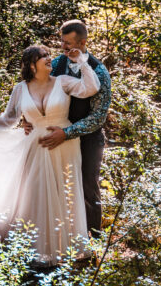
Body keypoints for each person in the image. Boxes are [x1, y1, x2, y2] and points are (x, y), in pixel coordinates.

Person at [0, 43, 101, 265]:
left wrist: (82, 62)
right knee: (35, 196)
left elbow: (91, 88)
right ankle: (35, 250)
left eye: (49, 55)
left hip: (64, 146)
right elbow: (6, 121)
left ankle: (65, 251)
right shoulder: (20, 89)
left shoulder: (62, 82)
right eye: (43, 56)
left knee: (65, 193)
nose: (49, 58)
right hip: (35, 147)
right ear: (31, 64)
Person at [24, 20, 111, 236]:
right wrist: (29, 118)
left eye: (68, 43)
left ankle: (94, 239)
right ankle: (61, 237)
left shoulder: (99, 71)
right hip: (56, 135)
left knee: (87, 187)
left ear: (83, 42)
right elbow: (37, 91)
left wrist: (67, 133)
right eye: (61, 42)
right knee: (56, 186)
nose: (63, 47)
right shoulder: (55, 64)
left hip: (87, 139)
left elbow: (98, 117)